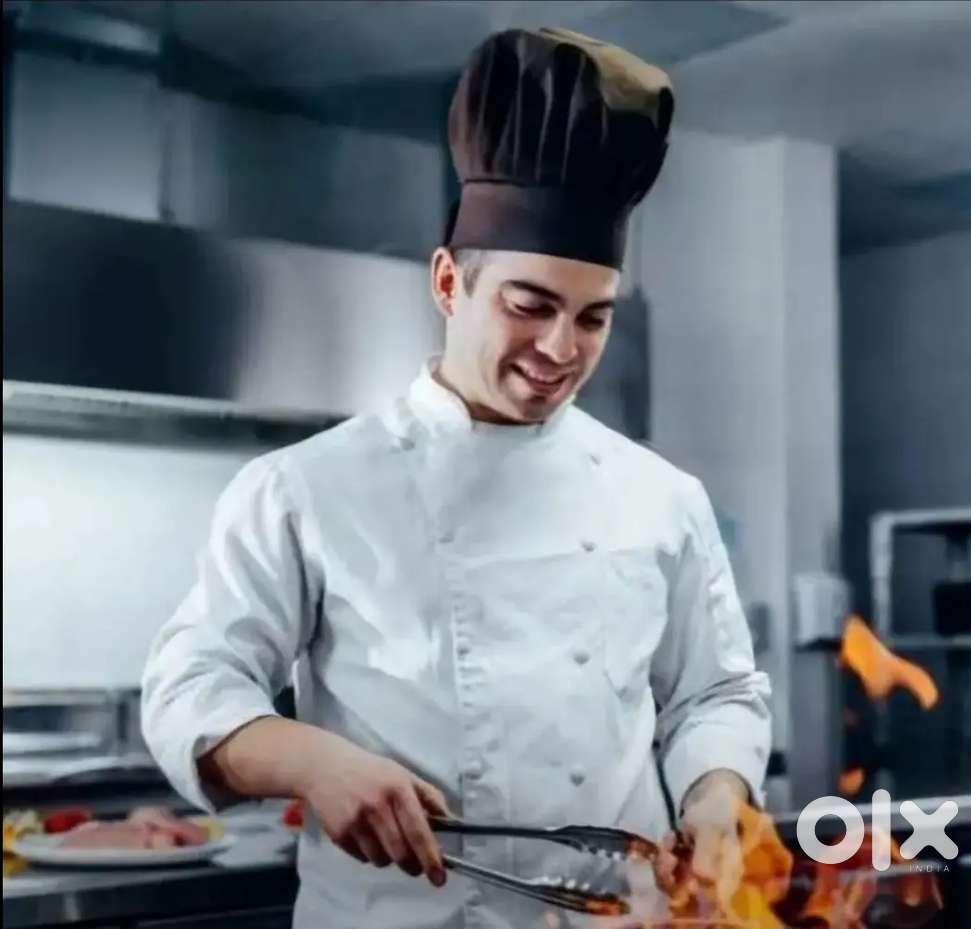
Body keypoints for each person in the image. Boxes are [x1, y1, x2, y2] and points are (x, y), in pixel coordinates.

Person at [142, 26, 771, 929]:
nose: (561, 348)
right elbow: (189, 685)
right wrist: (313, 761)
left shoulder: (660, 497)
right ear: (448, 282)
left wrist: (715, 795)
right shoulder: (304, 488)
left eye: (593, 318)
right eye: (529, 305)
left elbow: (716, 692)